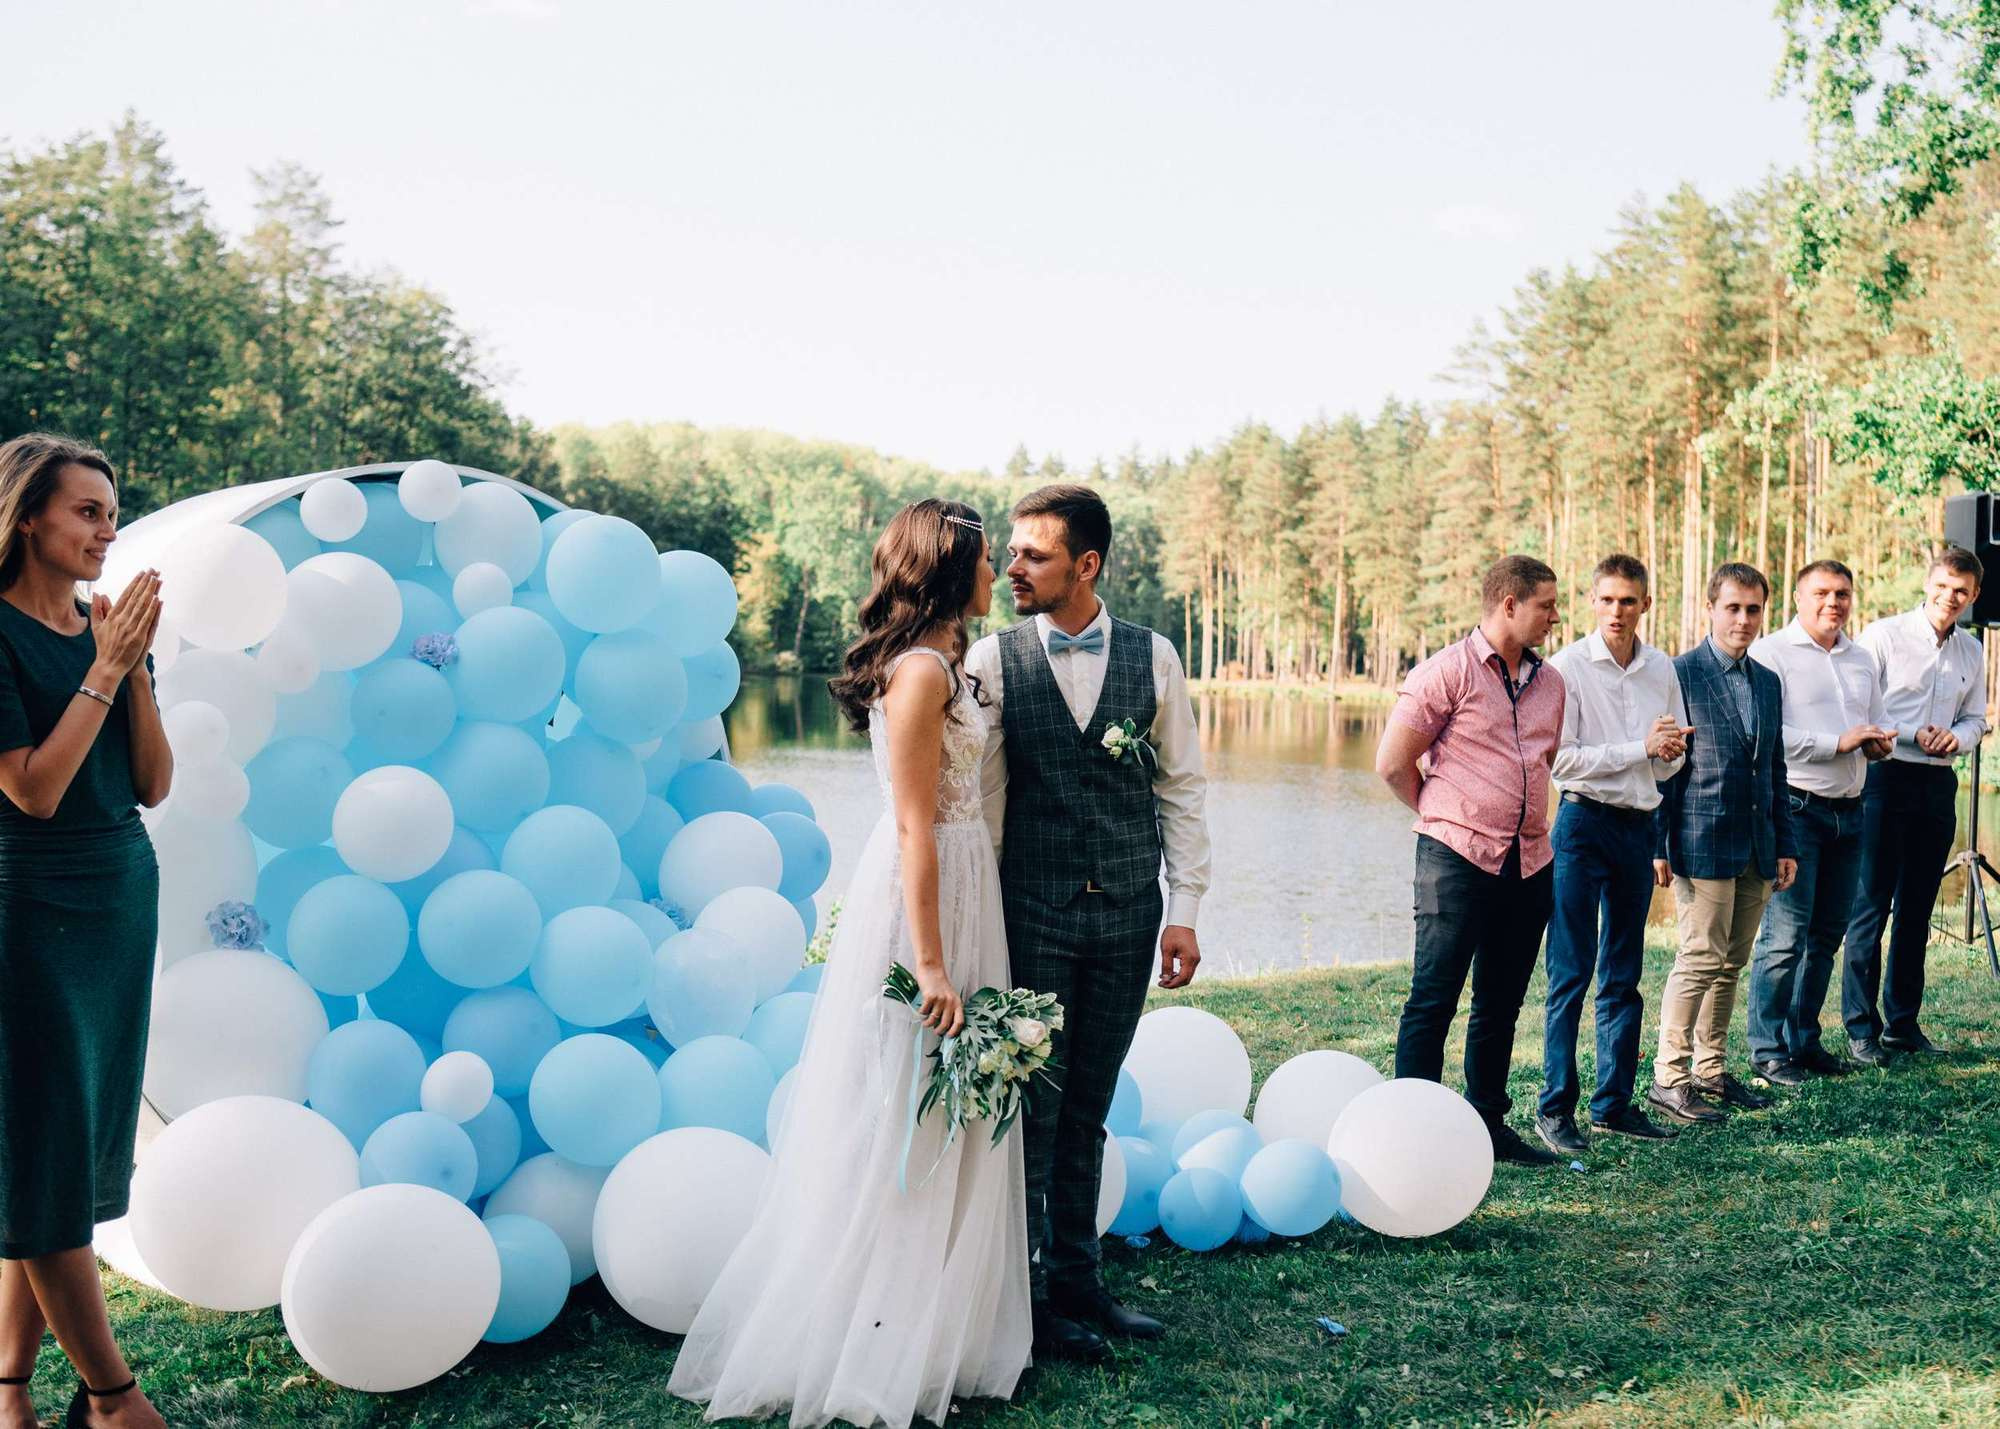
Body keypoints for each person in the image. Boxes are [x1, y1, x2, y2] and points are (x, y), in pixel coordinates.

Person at [669, 500, 1031, 1429]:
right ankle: (872, 1335)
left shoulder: (954, 664)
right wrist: (935, 963)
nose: (999, 577)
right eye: (988, 563)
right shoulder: (917, 674)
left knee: (954, 1103)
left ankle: (942, 1324)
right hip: (926, 898)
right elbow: (915, 825)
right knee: (904, 1102)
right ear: (953, 574)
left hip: (967, 886)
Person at [965, 484, 1209, 1362]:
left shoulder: (1157, 657)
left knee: (1089, 1107)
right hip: (1031, 913)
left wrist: (1183, 911)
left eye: (1034, 555)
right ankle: (1028, 1303)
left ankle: (1079, 1281)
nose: (1014, 570)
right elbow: (986, 808)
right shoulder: (993, 662)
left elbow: (1180, 786)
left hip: (1128, 919)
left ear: (1087, 564)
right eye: (1014, 553)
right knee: (1033, 1106)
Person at [0, 435, 171, 1429]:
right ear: (28, 518)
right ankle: (112, 1399)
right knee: (42, 1157)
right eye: (86, 512)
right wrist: (103, 668)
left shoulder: (104, 627)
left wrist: (134, 668)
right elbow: (32, 788)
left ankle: (10, 1389)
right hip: (30, 913)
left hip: (119, 900)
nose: (108, 529)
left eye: (112, 511)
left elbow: (152, 782)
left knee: (61, 1158)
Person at [1374, 554, 1564, 1167]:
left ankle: (1488, 1126)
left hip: (1530, 863)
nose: (1556, 618)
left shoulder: (1552, 683)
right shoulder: (1443, 673)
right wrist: (1443, 815)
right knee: (1434, 997)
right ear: (1510, 604)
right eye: (1547, 605)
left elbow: (1545, 762)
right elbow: (1392, 765)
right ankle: (1412, 1135)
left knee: (1501, 1002)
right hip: (1454, 859)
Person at [1533, 555, 1689, 1157]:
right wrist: (1639, 748)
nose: (1617, 611)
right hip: (1580, 825)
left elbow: (1669, 759)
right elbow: (1560, 761)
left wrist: (1669, 752)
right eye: (1607, 600)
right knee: (1569, 972)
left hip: (1637, 828)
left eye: (1629, 601)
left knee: (1623, 975)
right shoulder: (1566, 668)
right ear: (1592, 602)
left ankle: (1614, 1105)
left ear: (1645, 604)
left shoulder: (1662, 669)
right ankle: (1554, 1110)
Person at [1647, 562, 1797, 1126]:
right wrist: (1659, 844)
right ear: (1711, 607)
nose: (1743, 619)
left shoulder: (1769, 681)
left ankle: (1711, 1070)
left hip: (1758, 844)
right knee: (1700, 957)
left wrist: (1785, 841)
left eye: (1753, 609)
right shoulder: (1679, 675)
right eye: (1733, 607)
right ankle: (1670, 1077)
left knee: (1732, 962)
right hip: (1701, 838)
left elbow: (1775, 768)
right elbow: (1666, 771)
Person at [1745, 561, 1893, 1084]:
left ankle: (1805, 1041)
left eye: (1844, 593)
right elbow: (1765, 737)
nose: (1834, 602)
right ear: (1797, 597)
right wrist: (1838, 742)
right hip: (1796, 810)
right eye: (1823, 593)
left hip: (1852, 811)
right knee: (1785, 935)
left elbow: (1873, 724)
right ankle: (1766, 1049)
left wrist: (1877, 743)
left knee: (1827, 935)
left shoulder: (1861, 659)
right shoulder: (1771, 655)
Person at [1844, 545, 1989, 1061]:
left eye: (1962, 591)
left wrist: (1959, 737)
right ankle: (1861, 1028)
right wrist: (1912, 733)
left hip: (1937, 786)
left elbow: (1977, 717)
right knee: (1871, 905)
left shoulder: (1973, 651)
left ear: (1973, 597)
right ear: (1928, 583)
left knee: (1916, 910)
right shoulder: (1883, 636)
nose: (1950, 597)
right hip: (1884, 779)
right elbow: (1858, 708)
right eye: (1944, 585)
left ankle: (1902, 1026)